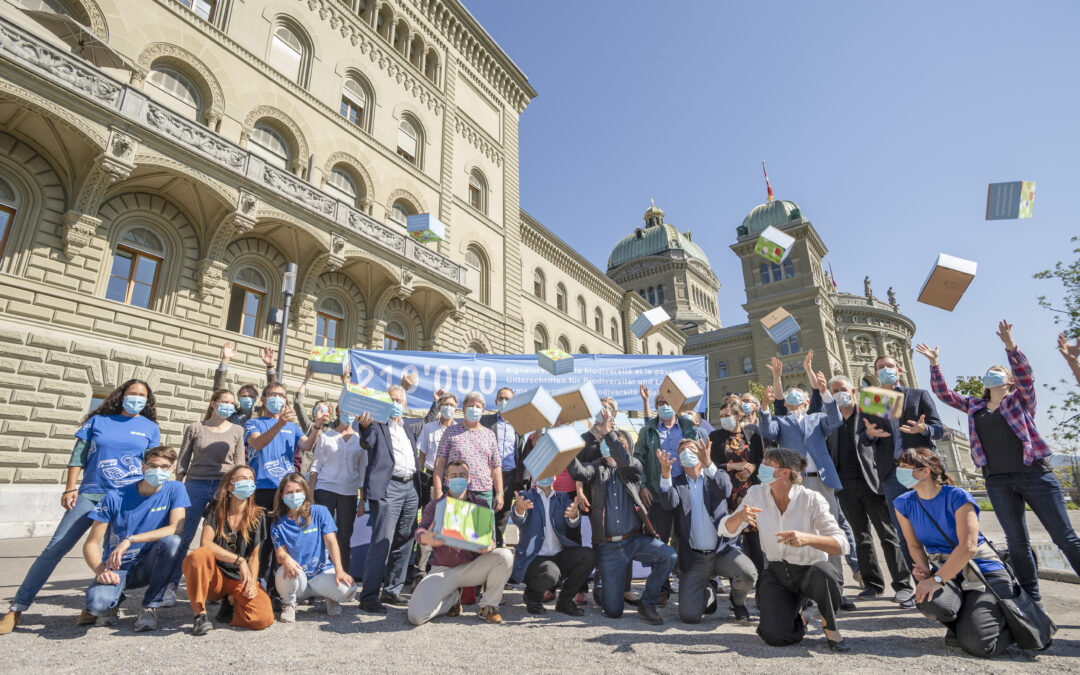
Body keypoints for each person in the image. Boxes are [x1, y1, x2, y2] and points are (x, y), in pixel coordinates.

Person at [919, 320, 1080, 601]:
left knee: (1064, 538)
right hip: (997, 480)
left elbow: (1026, 375)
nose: (991, 374)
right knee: (1017, 542)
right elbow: (944, 394)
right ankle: (1031, 598)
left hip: (1035, 475)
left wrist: (1010, 346)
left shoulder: (1021, 400)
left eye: (998, 372)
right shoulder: (974, 405)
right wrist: (935, 364)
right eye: (990, 372)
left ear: (1009, 380)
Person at [1, 379, 160, 634]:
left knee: (112, 553)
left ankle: (94, 605)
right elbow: (78, 455)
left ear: (148, 401)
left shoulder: (150, 428)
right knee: (56, 547)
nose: (137, 399)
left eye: (142, 396)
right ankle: (17, 608)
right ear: (121, 396)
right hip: (91, 493)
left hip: (125, 498)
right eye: (133, 393)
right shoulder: (98, 421)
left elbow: (152, 463)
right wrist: (70, 487)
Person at [721, 447, 851, 652]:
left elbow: (842, 544)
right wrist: (739, 518)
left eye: (767, 464)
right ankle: (803, 618)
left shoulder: (811, 499)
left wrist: (807, 539)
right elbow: (726, 531)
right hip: (778, 572)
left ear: (785, 473)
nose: (760, 468)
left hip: (812, 571)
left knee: (826, 576)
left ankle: (829, 624)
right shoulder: (756, 493)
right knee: (774, 636)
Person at [803, 375, 915, 606]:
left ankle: (903, 585)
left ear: (853, 391)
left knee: (887, 534)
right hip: (843, 484)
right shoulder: (829, 419)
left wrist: (871, 426)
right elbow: (811, 413)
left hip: (871, 481)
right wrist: (818, 387)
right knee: (860, 536)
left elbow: (898, 406)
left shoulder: (868, 408)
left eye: (842, 389)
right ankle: (873, 584)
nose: (838, 394)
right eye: (834, 391)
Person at [893, 447, 1015, 657]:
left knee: (980, 647)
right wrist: (924, 572)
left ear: (924, 471)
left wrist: (937, 579)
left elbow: (968, 546)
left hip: (980, 570)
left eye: (905, 467)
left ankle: (1008, 624)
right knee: (928, 601)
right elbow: (913, 545)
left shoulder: (958, 496)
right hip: (947, 571)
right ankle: (966, 620)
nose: (899, 472)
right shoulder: (903, 503)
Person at [569, 420, 677, 626]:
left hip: (635, 539)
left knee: (668, 555)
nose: (608, 444)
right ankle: (602, 586)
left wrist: (609, 434)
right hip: (609, 547)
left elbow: (626, 462)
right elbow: (578, 472)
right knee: (612, 611)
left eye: (617, 442)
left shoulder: (633, 467)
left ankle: (648, 603)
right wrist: (565, 448)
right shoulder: (596, 468)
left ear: (625, 447)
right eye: (606, 441)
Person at [760, 354, 847, 583]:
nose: (793, 395)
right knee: (799, 528)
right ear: (786, 403)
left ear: (808, 402)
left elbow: (836, 420)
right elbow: (767, 431)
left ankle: (834, 581)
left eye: (799, 394)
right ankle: (803, 583)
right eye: (790, 396)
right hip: (795, 483)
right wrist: (765, 407)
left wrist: (823, 391)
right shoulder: (781, 422)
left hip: (821, 480)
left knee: (831, 530)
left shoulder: (818, 418)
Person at [82, 446, 189, 631]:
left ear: (171, 469)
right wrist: (101, 572)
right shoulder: (116, 496)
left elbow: (176, 528)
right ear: (142, 467)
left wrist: (130, 540)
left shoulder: (176, 489)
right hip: (118, 567)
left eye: (164, 467)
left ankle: (150, 606)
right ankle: (113, 602)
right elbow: (91, 543)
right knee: (97, 605)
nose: (158, 471)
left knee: (173, 542)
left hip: (150, 564)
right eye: (153, 465)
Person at [658, 438, 757, 624]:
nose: (688, 452)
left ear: (702, 453)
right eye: (683, 450)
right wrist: (665, 475)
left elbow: (726, 490)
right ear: (679, 459)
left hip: (723, 551)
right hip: (695, 558)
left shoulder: (716, 475)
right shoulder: (677, 483)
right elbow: (668, 503)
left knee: (748, 574)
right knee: (689, 616)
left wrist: (708, 464)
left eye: (692, 449)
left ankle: (737, 602)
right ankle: (709, 590)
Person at [860, 349, 944, 566]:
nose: (885, 370)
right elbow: (864, 438)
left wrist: (923, 429)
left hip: (922, 469)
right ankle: (921, 587)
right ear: (876, 374)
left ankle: (947, 579)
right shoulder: (873, 400)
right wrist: (869, 435)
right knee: (906, 533)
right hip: (893, 474)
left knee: (937, 524)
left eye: (889, 366)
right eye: (881, 368)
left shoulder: (918, 395)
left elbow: (939, 429)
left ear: (899, 370)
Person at [408, 460, 514, 625]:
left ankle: (488, 606)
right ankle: (451, 599)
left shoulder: (481, 505)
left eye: (462, 475)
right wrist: (425, 538)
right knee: (416, 616)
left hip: (471, 568)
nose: (459, 479)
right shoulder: (435, 506)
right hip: (442, 570)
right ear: (447, 480)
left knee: (504, 555)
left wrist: (489, 546)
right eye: (454, 476)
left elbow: (490, 539)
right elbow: (421, 531)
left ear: (469, 478)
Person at [167, 388, 246, 605]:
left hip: (223, 488)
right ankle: (170, 586)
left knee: (222, 539)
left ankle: (218, 586)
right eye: (225, 402)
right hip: (195, 485)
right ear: (213, 404)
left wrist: (232, 488)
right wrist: (178, 488)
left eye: (232, 403)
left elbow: (239, 464)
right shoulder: (195, 428)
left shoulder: (237, 430)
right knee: (183, 536)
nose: (229, 406)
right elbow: (183, 460)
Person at [181, 465, 273, 634]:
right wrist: (239, 560)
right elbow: (206, 543)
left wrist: (252, 583)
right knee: (198, 556)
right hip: (215, 578)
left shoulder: (258, 515)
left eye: (251, 479)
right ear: (230, 486)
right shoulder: (216, 508)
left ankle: (231, 601)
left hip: (239, 579)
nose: (248, 483)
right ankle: (199, 615)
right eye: (242, 479)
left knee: (263, 618)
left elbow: (254, 556)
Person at [357, 385, 421, 612]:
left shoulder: (408, 428)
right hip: (389, 488)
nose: (396, 403)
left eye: (399, 400)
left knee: (405, 541)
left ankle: (393, 590)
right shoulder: (376, 424)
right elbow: (367, 441)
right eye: (392, 399)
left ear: (405, 405)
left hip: (410, 487)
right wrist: (364, 426)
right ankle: (369, 596)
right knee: (382, 542)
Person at [633, 387, 698, 603]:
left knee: (685, 536)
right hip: (656, 488)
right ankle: (661, 588)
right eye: (660, 402)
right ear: (655, 406)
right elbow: (638, 459)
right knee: (658, 539)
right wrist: (642, 485)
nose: (664, 405)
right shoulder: (648, 430)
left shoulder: (688, 426)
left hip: (683, 487)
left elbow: (697, 454)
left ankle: (688, 584)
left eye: (667, 401)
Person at [244, 382, 307, 591]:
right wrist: (279, 423)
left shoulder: (293, 427)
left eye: (282, 395)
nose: (278, 399)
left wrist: (316, 427)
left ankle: (274, 590)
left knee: (278, 541)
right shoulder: (253, 423)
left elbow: (307, 445)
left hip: (284, 492)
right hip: (261, 488)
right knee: (257, 540)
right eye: (273, 394)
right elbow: (258, 443)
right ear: (263, 399)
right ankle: (252, 583)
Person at [271, 473, 356, 621]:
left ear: (305, 492)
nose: (294, 495)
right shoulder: (277, 523)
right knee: (283, 571)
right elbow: (280, 553)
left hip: (321, 572)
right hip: (299, 577)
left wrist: (339, 570)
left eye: (298, 491)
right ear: (282, 496)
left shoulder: (319, 512)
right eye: (289, 492)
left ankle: (331, 596)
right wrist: (286, 559)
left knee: (349, 590)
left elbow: (331, 542)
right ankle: (289, 603)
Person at [509, 476, 593, 616]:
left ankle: (565, 601)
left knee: (588, 555)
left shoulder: (562, 497)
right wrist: (520, 509)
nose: (545, 475)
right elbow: (519, 519)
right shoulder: (526, 496)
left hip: (558, 555)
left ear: (555, 476)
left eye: (549, 471)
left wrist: (574, 514)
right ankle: (532, 597)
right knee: (550, 573)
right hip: (534, 559)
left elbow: (573, 522)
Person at [307, 403, 365, 575]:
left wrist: (363, 500)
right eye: (344, 411)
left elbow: (362, 472)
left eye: (352, 412)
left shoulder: (361, 441)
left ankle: (342, 577)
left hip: (349, 492)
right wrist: (310, 494)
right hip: (325, 489)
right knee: (321, 533)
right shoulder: (326, 437)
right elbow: (315, 467)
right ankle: (316, 575)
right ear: (338, 413)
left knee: (344, 536)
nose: (348, 415)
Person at [710, 400, 765, 570]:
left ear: (739, 416)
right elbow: (710, 465)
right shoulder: (716, 437)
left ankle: (759, 579)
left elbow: (760, 460)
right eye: (721, 417)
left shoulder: (753, 433)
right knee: (729, 534)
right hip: (727, 493)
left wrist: (751, 469)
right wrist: (733, 466)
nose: (724, 420)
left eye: (727, 416)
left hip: (750, 491)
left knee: (754, 538)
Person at [433, 392, 502, 509]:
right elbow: (440, 463)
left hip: (483, 494)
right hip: (455, 492)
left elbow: (496, 466)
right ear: (464, 409)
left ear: (482, 412)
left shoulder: (490, 435)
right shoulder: (450, 432)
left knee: (482, 527)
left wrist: (500, 493)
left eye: (478, 407)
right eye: (471, 406)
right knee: (454, 527)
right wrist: (438, 491)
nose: (474, 409)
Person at [482, 387, 525, 546]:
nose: (504, 402)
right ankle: (483, 546)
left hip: (509, 476)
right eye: (501, 398)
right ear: (495, 402)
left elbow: (520, 450)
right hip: (488, 475)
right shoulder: (486, 421)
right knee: (485, 512)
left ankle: (498, 544)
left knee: (504, 513)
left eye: (507, 399)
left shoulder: (519, 425)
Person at [293, 365, 351, 472]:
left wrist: (345, 381)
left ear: (329, 410)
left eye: (324, 407)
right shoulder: (309, 425)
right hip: (306, 470)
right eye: (318, 408)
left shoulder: (335, 426)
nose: (321, 410)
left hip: (327, 471)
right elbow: (297, 403)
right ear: (314, 413)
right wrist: (306, 379)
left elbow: (348, 405)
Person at [213, 341, 277, 425]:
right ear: (238, 398)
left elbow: (274, 392)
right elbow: (219, 390)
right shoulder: (231, 412)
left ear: (256, 399)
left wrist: (270, 366)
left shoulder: (260, 413)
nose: (247, 398)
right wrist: (225, 360)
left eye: (251, 396)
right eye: (244, 396)